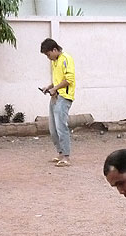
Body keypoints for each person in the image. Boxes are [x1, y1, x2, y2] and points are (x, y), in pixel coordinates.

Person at [40, 38, 75, 167]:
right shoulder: (55, 61)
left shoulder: (66, 59)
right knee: (53, 128)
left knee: (61, 127)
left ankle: (66, 156)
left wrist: (55, 88)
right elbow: (58, 80)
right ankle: (60, 153)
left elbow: (69, 79)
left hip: (64, 97)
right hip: (55, 96)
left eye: (48, 54)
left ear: (54, 50)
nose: (48, 57)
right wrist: (49, 87)